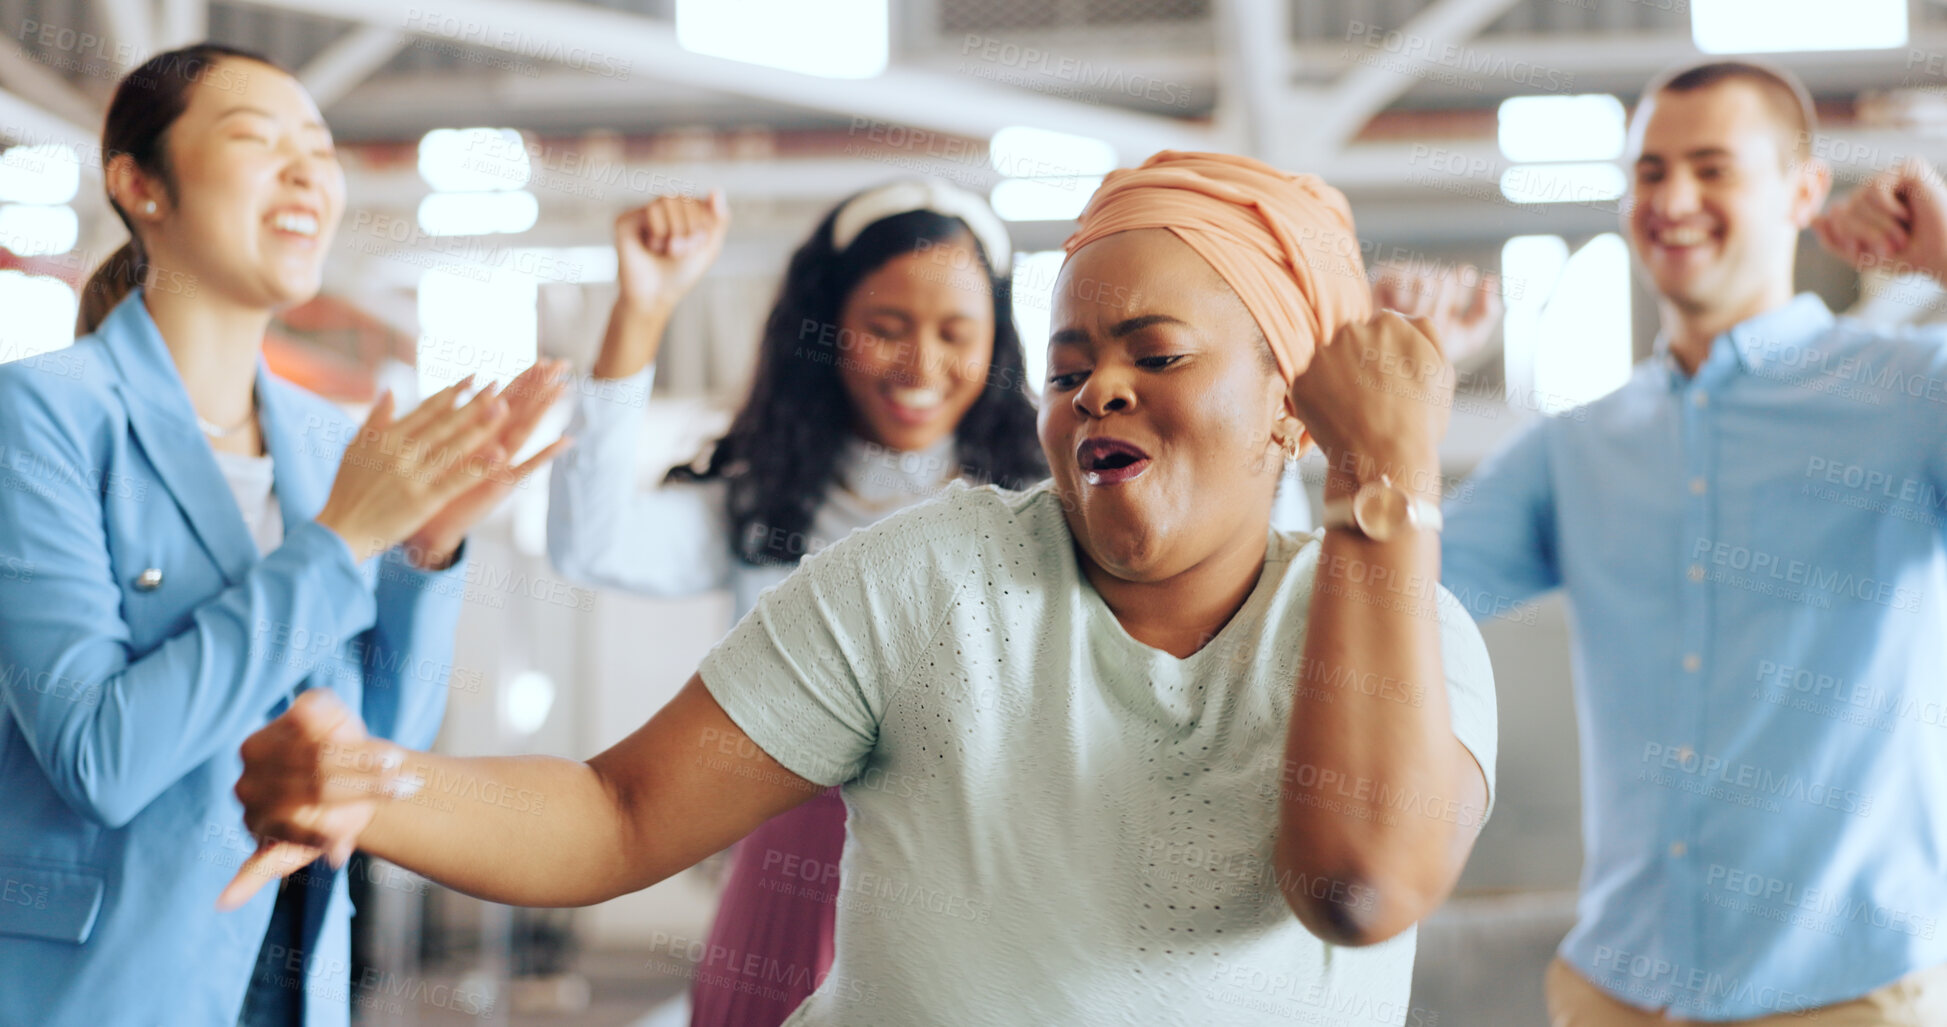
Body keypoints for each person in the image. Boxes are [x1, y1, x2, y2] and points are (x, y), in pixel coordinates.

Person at [226, 150, 1498, 1025]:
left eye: (1155, 354)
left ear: (1291, 403)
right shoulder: (931, 576)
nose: (1098, 390)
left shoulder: (1399, 626)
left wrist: (1385, 478)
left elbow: (1358, 885)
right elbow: (617, 812)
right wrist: (378, 787)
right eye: (1066, 371)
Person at [0, 44, 566, 1026]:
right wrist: (342, 542)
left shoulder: (331, 443)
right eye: (258, 140)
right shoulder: (39, 417)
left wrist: (423, 553)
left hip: (297, 979)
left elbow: (379, 761)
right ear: (141, 185)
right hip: (105, 988)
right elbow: (100, 757)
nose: (308, 170)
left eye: (321, 147)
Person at [1440, 60, 1947, 1024]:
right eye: (1647, 172)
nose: (1671, 200)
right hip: (1616, 992)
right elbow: (1386, 598)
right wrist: (1382, 408)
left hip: (1851, 992)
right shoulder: (1574, 447)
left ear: (1802, 192)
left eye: (1712, 169)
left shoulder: (1913, 393)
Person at [545, 179, 1044, 1025]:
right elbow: (586, 543)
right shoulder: (764, 506)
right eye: (886, 328)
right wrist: (644, 307)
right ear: (828, 330)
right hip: (790, 886)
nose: (920, 365)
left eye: (955, 333)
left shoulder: (1041, 508)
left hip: (990, 895)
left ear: (996, 341)